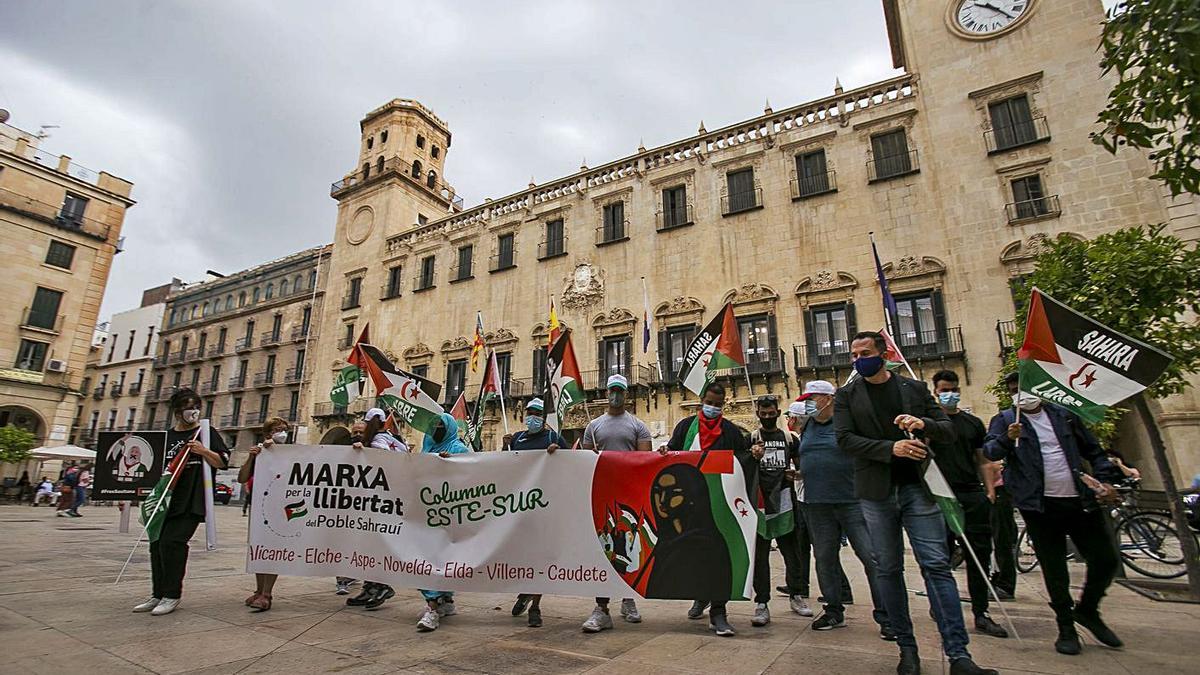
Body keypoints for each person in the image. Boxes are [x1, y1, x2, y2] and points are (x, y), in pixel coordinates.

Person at [835, 332, 995, 675]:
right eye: (854, 354)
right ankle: (907, 649)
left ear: (883, 354)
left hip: (918, 489)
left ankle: (959, 655)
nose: (858, 359)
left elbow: (947, 430)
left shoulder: (915, 390)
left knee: (936, 566)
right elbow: (845, 440)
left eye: (865, 352)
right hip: (877, 493)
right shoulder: (847, 395)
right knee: (889, 569)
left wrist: (922, 423)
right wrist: (889, 449)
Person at [984, 373, 1123, 656]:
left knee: (1106, 559)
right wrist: (1007, 438)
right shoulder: (1006, 420)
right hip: (1039, 507)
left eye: (1024, 388)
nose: (1020, 395)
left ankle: (1087, 610)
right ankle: (1066, 627)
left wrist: (1107, 480)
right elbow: (990, 450)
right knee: (1054, 569)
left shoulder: (1065, 416)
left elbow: (1094, 451)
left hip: (1080, 502)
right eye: (1013, 391)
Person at [794, 380, 889, 636]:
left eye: (813, 398)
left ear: (829, 399)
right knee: (825, 559)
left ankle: (887, 615)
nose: (809, 404)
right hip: (817, 503)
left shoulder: (847, 423)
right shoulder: (808, 426)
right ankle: (834, 610)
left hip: (852, 501)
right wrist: (802, 472)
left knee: (870, 557)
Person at [664, 381, 756, 636]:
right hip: (691, 506)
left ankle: (719, 612)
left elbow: (742, 459)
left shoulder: (730, 431)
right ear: (701, 401)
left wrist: (754, 454)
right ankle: (699, 597)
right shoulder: (685, 427)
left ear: (723, 404)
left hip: (720, 504)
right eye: (709, 403)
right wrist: (664, 452)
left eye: (717, 404)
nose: (713, 408)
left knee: (718, 555)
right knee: (694, 554)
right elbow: (673, 454)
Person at [132, 388, 229, 616]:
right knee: (156, 545)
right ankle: (157, 593)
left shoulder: (206, 433)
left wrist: (203, 451)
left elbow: (222, 461)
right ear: (177, 412)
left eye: (196, 406)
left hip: (191, 499)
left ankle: (172, 595)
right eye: (187, 407)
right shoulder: (166, 437)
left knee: (172, 543)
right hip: (165, 499)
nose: (193, 411)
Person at [929, 370, 1008, 639]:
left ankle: (981, 611)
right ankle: (941, 605)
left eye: (953, 389)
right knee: (939, 557)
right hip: (940, 496)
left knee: (979, 555)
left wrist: (989, 492)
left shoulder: (972, 423)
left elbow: (982, 459)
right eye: (944, 390)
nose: (949, 394)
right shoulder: (929, 425)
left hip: (971, 495)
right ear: (935, 392)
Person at [580, 373, 652, 633]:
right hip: (602, 495)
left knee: (628, 547)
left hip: (629, 496)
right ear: (606, 391)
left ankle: (628, 598)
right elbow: (584, 459)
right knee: (603, 549)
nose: (616, 394)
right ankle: (601, 608)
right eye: (613, 389)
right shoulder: (594, 426)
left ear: (626, 393)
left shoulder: (638, 425)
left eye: (620, 390)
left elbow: (645, 459)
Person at [784, 401, 854, 615]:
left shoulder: (810, 438)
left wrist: (801, 472)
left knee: (823, 548)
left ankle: (842, 591)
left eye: (790, 417)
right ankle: (801, 585)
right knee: (804, 544)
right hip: (805, 498)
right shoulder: (804, 437)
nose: (788, 421)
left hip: (814, 500)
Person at [504, 398, 565, 628]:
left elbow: (571, 465)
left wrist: (558, 454)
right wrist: (504, 447)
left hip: (545, 507)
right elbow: (504, 468)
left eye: (537, 413)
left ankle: (536, 606)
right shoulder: (517, 439)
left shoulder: (553, 438)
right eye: (530, 412)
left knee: (539, 558)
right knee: (521, 556)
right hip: (519, 508)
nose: (533, 416)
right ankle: (525, 591)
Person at [345, 409, 408, 611]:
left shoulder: (378, 441)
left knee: (374, 543)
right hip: (387, 498)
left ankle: (381, 585)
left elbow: (382, 460)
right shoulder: (393, 438)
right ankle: (369, 586)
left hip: (380, 500)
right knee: (368, 543)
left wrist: (364, 451)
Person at [744, 394, 797, 629]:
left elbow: (801, 462)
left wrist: (794, 472)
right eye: (763, 414)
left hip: (785, 501)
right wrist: (751, 456)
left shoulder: (790, 438)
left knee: (791, 553)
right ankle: (762, 602)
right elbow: (740, 466)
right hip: (760, 504)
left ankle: (797, 594)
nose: (767, 417)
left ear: (777, 412)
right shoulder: (750, 439)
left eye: (771, 413)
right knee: (761, 557)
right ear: (757, 414)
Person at [416, 412, 472, 631]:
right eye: (434, 425)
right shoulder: (426, 446)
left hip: (449, 517)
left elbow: (475, 473)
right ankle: (445, 601)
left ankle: (432, 608)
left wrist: (455, 464)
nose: (436, 428)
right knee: (425, 559)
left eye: (441, 425)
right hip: (426, 514)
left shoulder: (459, 449)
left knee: (438, 560)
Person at [238, 417, 291, 611]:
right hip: (260, 508)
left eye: (284, 429)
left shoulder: (292, 453)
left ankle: (267, 593)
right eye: (278, 429)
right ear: (268, 433)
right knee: (259, 549)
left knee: (273, 550)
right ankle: (258, 590)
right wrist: (252, 457)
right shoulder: (259, 453)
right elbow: (242, 477)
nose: (282, 432)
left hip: (281, 508)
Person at [335, 419, 367, 597]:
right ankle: (341, 580)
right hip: (345, 505)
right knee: (342, 543)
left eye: (361, 432)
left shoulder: (374, 450)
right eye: (354, 432)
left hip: (366, 507)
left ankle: (353, 575)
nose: (357, 435)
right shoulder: (342, 453)